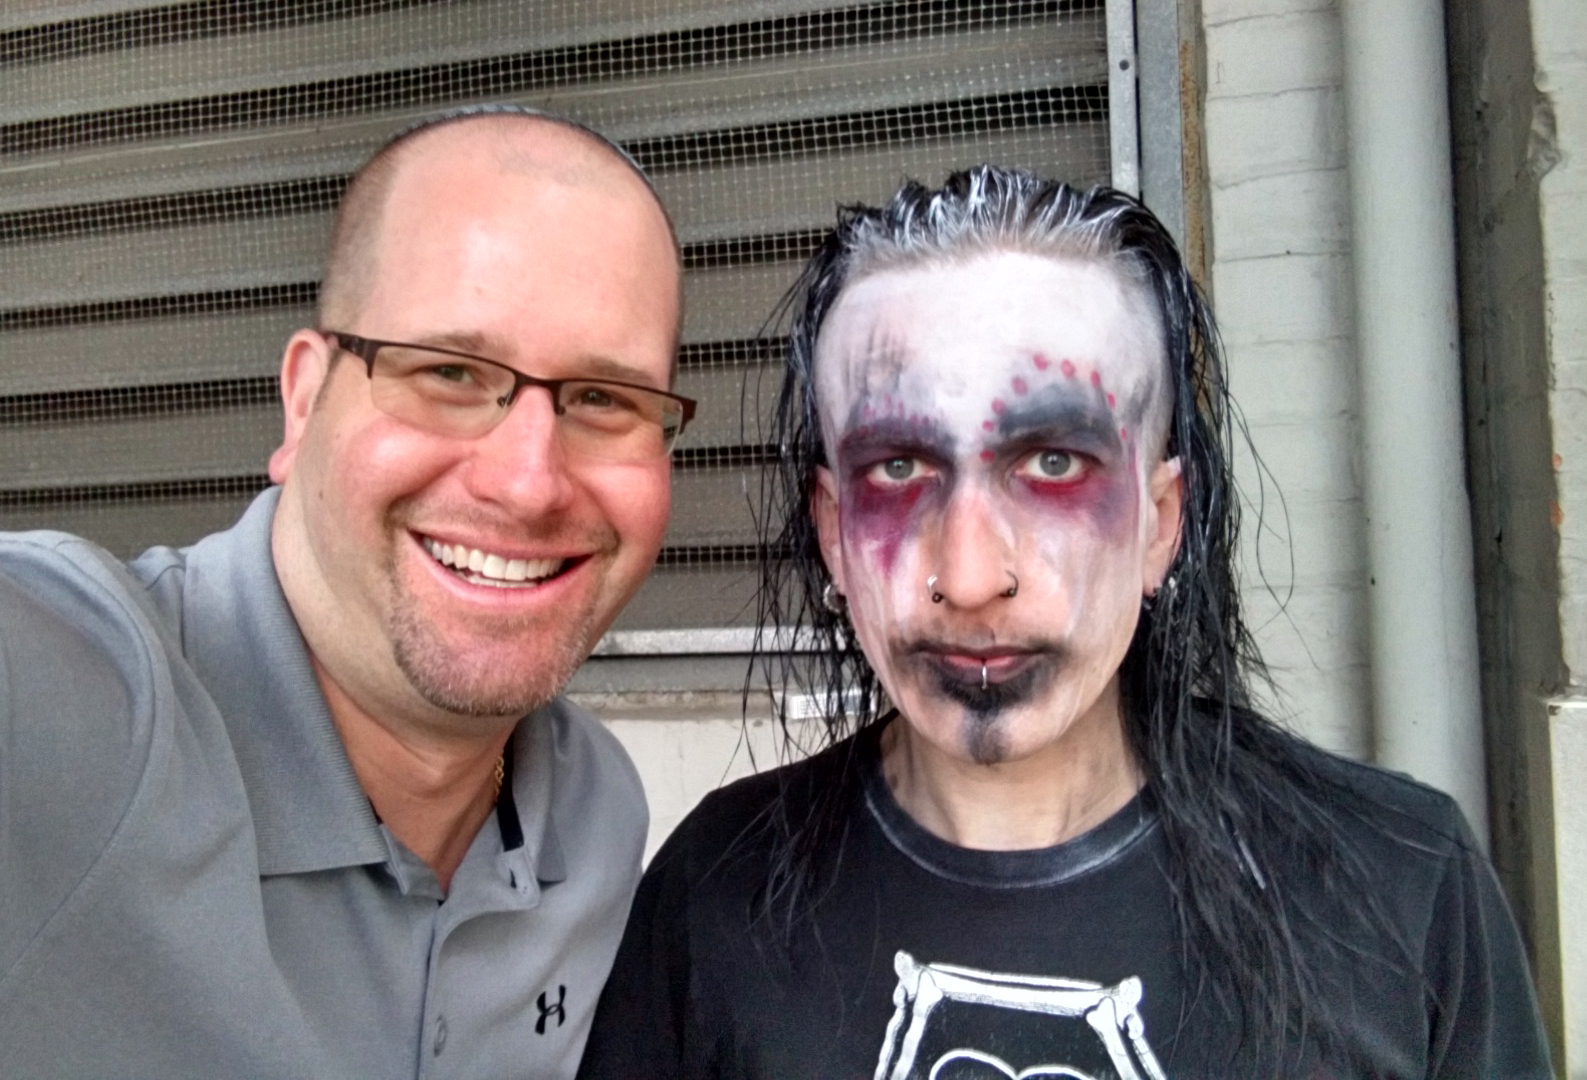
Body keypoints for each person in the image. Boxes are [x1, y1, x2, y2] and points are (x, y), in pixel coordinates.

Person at [577, 166, 1552, 1079]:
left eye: (1053, 465)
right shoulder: (715, 893)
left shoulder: (1405, 884)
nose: (970, 578)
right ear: (833, 532)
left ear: (1160, 524)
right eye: (898, 469)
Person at [0, 106, 689, 1078]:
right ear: (303, 400)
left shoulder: (595, 812)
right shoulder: (83, 705)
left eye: (604, 399)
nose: (528, 483)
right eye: (449, 371)